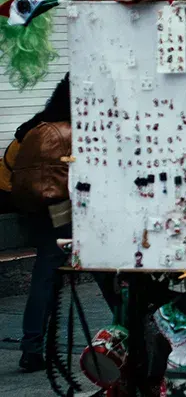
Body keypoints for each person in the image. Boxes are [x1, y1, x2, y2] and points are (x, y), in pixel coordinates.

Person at [9, 75, 71, 372]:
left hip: (37, 212)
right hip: (67, 211)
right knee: (108, 274)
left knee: (44, 276)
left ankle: (31, 345)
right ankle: (126, 341)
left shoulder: (38, 125)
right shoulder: (75, 129)